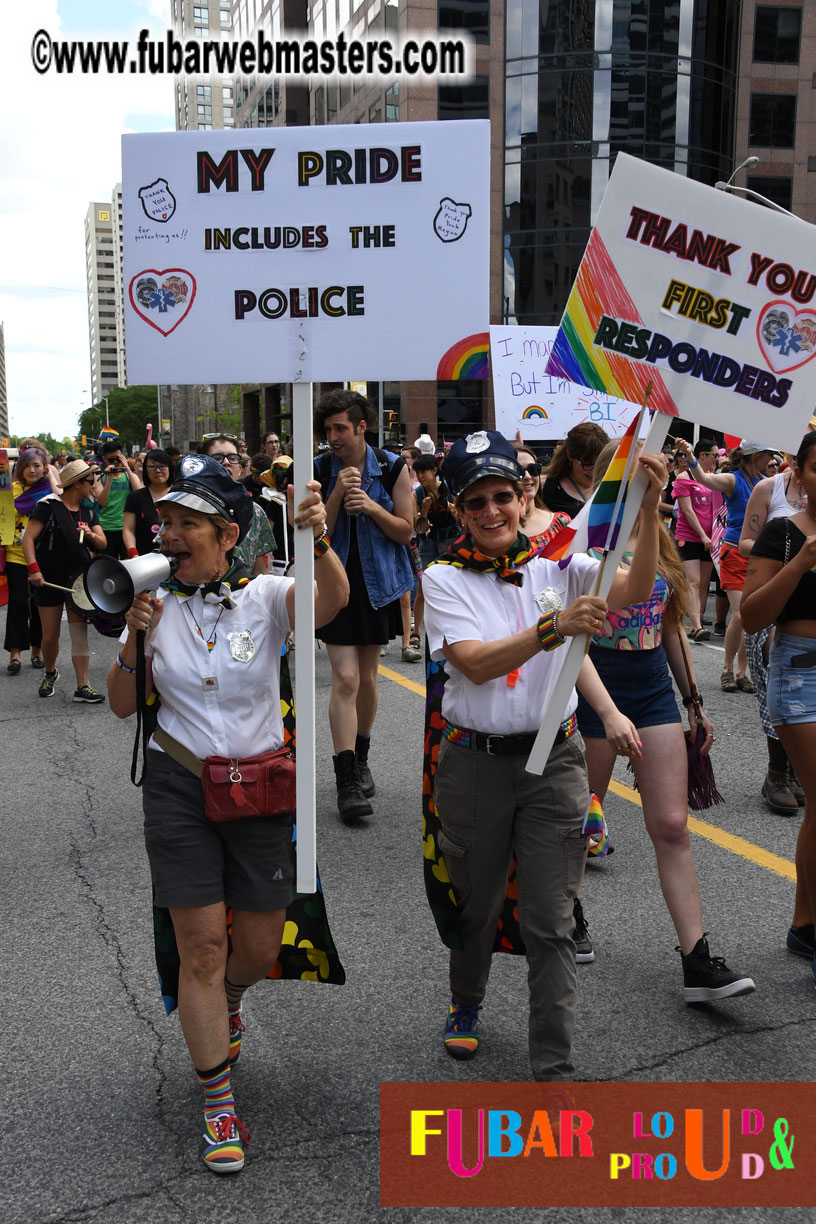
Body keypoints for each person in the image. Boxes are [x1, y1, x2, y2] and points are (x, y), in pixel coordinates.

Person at [107, 455, 348, 1173]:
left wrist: (322, 539)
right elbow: (124, 705)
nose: (170, 535)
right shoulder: (150, 605)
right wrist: (132, 634)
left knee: (258, 943)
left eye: (187, 524)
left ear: (226, 533)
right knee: (203, 946)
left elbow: (328, 605)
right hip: (180, 789)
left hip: (259, 787)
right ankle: (218, 1103)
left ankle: (234, 998)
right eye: (166, 523)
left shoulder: (267, 595)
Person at [421, 430, 667, 1080]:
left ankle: (553, 1068)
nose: (493, 511)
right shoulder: (442, 577)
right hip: (475, 763)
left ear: (524, 491)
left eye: (503, 495)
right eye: (476, 502)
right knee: (475, 903)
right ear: (456, 509)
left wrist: (648, 510)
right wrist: (554, 627)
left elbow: (630, 591)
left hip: (554, 761)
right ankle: (466, 1002)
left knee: (551, 918)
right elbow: (472, 665)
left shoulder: (559, 562)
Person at [576, 438, 755, 1004]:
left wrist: (693, 701)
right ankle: (566, 910)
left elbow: (671, 623)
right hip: (594, 683)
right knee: (580, 818)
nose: (643, 477)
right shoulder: (584, 535)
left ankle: (697, 961)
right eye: (629, 471)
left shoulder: (662, 532)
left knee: (672, 825)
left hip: (652, 688)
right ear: (608, 477)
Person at [314, 389, 414, 821]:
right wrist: (336, 493)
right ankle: (347, 781)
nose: (333, 437)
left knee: (369, 679)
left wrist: (372, 506)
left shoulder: (392, 466)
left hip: (377, 584)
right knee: (346, 678)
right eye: (328, 429)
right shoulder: (319, 468)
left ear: (361, 426)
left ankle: (362, 755)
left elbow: (406, 531)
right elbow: (317, 532)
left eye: (340, 428)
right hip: (334, 582)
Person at [742, 430, 816, 983]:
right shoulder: (783, 535)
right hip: (801, 671)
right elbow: (751, 616)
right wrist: (802, 562)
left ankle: (804, 923)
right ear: (800, 473)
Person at [738, 454, 807, 815]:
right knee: (772, 685)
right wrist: (784, 546)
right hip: (770, 592)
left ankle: (797, 772)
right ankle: (776, 773)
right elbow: (744, 542)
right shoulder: (769, 489)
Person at [676, 437, 772, 693]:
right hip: (734, 551)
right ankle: (727, 669)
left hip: (758, 553)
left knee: (751, 616)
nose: (771, 459)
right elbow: (705, 480)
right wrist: (690, 457)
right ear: (754, 456)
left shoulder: (765, 482)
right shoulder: (733, 480)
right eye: (767, 454)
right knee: (740, 614)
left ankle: (743, 672)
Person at [21, 459, 107, 702]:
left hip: (78, 580)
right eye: (90, 481)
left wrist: (92, 535)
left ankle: (82, 686)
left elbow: (103, 544)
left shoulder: (89, 512)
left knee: (79, 632)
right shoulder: (48, 506)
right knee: (50, 636)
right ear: (77, 484)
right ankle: (50, 672)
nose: (93, 485)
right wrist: (34, 569)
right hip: (47, 579)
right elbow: (28, 539)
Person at [4, 446, 59, 673]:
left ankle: (37, 650)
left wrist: (52, 475)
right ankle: (15, 653)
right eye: (27, 465)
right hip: (15, 555)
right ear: (20, 468)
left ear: (44, 467)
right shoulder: (10, 490)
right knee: (17, 603)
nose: (32, 470)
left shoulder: (49, 489)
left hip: (42, 555)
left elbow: (61, 499)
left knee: (40, 605)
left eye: (37, 465)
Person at [199, 434, 275, 576]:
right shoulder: (186, 507)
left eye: (232, 458)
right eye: (217, 458)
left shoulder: (255, 512)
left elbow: (260, 571)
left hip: (241, 594)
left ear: (240, 468)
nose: (226, 462)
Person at [671, 438, 722, 641]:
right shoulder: (684, 477)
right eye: (714, 456)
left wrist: (714, 536)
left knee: (702, 585)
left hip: (710, 539)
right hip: (689, 536)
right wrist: (702, 535)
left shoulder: (712, 478)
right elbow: (687, 510)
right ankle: (696, 625)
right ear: (702, 456)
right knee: (693, 581)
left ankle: (696, 622)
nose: (717, 460)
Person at [540, 422, 609, 517]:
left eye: (600, 463)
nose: (594, 471)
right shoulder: (549, 490)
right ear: (570, 455)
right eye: (587, 464)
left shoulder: (612, 485)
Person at [123, 450, 175, 556]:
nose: (158, 470)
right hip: (144, 558)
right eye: (152, 467)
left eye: (162, 466)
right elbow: (128, 529)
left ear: (170, 468)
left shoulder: (179, 495)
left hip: (175, 557)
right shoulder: (135, 497)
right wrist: (134, 554)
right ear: (146, 470)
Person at [97, 440, 142, 558]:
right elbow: (102, 501)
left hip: (127, 528)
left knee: (128, 564)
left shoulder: (129, 476)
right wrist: (110, 477)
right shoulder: (100, 477)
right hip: (106, 527)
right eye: (111, 460)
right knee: (108, 564)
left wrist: (126, 467)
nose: (116, 463)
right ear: (104, 459)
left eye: (119, 459)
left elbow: (138, 493)